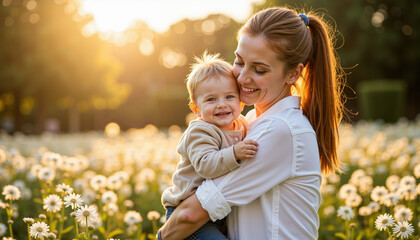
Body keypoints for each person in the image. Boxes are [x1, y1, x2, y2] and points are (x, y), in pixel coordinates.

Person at [157, 6, 345, 240]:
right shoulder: (250, 122)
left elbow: (191, 215)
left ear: (293, 74)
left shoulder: (280, 130)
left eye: (259, 69)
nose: (242, 77)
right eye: (239, 61)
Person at [159, 52, 259, 240]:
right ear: (196, 108)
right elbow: (205, 165)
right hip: (189, 213)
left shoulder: (243, 123)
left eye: (229, 96)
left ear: (241, 101)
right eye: (211, 99)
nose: (222, 105)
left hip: (216, 211)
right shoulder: (200, 131)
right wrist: (235, 153)